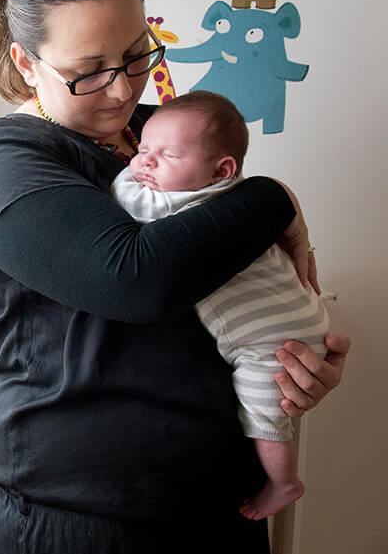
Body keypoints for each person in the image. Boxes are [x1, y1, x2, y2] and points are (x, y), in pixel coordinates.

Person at [0, 0, 350, 553]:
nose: (122, 88)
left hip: (220, 501)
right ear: (27, 63)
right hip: (78, 518)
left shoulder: (159, 134)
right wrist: (275, 199)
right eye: (88, 71)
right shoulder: (7, 159)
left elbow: (227, 279)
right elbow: (136, 280)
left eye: (137, 54)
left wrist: (292, 364)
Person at [112, 90, 329, 522]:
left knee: (266, 416)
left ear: (221, 171)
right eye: (142, 150)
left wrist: (127, 172)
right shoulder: (237, 200)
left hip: (272, 340)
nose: (147, 162)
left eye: (166, 155)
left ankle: (285, 484)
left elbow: (127, 201)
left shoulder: (180, 202)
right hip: (298, 315)